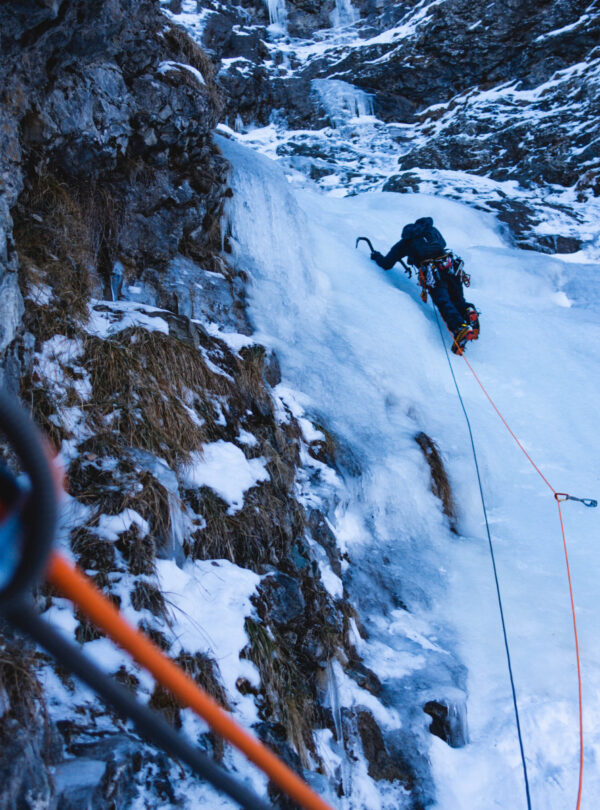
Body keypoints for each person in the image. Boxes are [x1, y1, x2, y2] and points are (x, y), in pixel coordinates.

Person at [370, 217, 479, 351]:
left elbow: (387, 263)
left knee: (443, 302)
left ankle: (459, 328)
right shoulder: (432, 231)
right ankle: (468, 311)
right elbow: (442, 244)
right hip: (450, 267)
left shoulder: (406, 242)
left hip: (433, 274)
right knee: (457, 299)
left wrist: (376, 256)